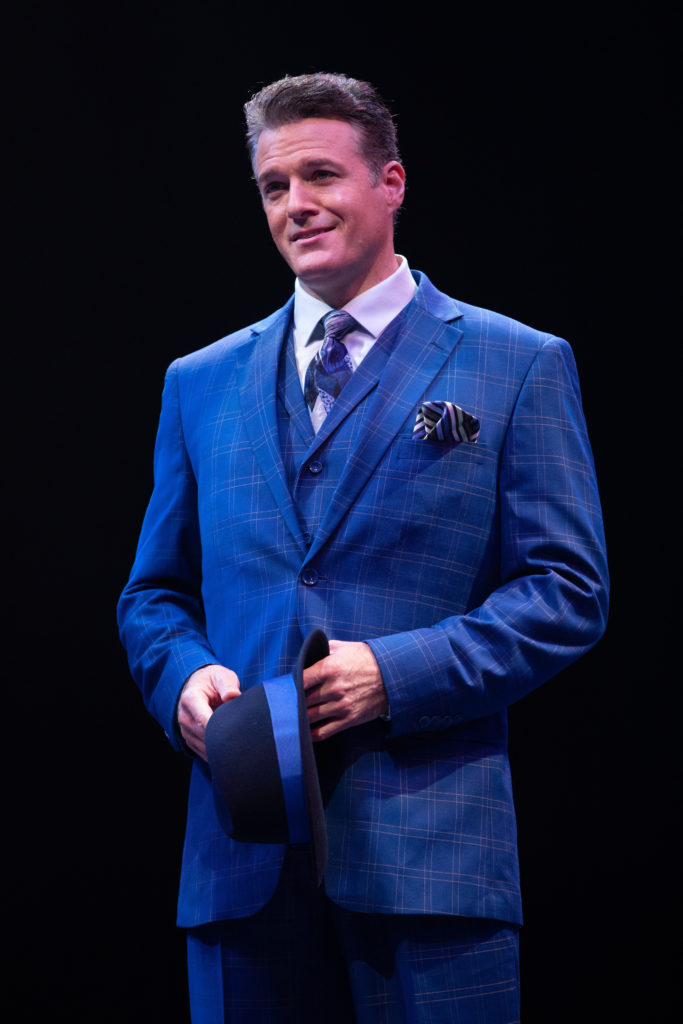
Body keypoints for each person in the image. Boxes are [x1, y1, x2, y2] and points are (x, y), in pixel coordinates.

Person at [118, 72, 609, 1023]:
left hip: (431, 859)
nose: (295, 205)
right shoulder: (200, 380)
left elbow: (566, 589)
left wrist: (394, 672)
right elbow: (153, 593)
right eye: (272, 186)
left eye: (320, 176)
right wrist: (179, 676)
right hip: (240, 854)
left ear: (389, 182)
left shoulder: (515, 362)